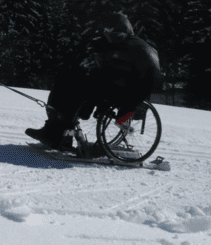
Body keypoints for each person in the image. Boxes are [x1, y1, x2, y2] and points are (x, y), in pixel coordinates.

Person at [26, 12, 162, 152]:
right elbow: (109, 71)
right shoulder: (121, 46)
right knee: (64, 78)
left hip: (126, 94)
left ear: (121, 30)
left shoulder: (138, 46)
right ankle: (54, 130)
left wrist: (128, 108)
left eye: (110, 31)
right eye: (105, 31)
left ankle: (60, 136)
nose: (107, 34)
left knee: (76, 93)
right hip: (109, 87)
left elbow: (152, 78)